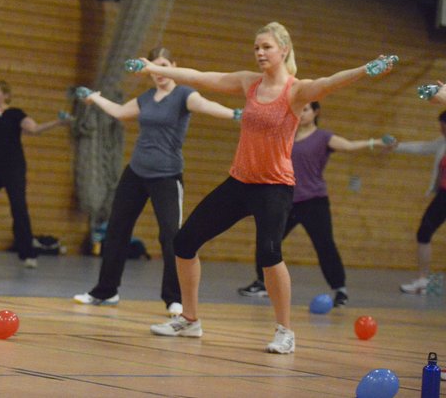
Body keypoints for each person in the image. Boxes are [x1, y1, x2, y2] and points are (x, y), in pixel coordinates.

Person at [138, 22, 394, 354]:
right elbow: (203, 77)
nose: (260, 53)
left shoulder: (296, 90)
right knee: (184, 242)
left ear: (284, 50)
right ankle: (189, 319)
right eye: (256, 47)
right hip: (240, 181)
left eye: (266, 47)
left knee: (270, 254)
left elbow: (329, 83)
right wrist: (153, 67)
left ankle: (285, 331)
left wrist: (365, 69)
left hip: (274, 186)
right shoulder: (249, 82)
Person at [72, 47, 238, 316]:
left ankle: (174, 297)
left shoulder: (185, 94)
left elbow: (208, 106)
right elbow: (119, 112)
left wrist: (236, 114)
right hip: (136, 172)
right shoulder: (147, 98)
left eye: (164, 65)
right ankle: (106, 291)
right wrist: (95, 98)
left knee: (171, 236)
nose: (159, 72)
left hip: (167, 176)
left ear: (172, 65)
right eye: (154, 66)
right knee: (116, 230)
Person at [237, 101, 388, 307]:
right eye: (299, 109)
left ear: (316, 112)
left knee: (325, 246)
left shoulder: (324, 137)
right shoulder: (286, 135)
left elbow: (350, 146)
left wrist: (376, 142)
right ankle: (262, 283)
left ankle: (340, 290)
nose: (302, 113)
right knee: (267, 241)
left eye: (306, 109)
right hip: (286, 201)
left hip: (314, 202)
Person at [0, 80, 69, 268]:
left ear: (6, 96)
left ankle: (28, 254)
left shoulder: (15, 114)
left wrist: (58, 122)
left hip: (14, 168)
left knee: (18, 209)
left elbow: (34, 129)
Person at [390, 110, 446, 294]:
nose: (442, 129)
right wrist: (397, 146)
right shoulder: (442, 142)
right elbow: (422, 147)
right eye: (441, 126)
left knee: (425, 231)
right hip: (443, 195)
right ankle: (423, 280)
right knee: (424, 231)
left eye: (444, 125)